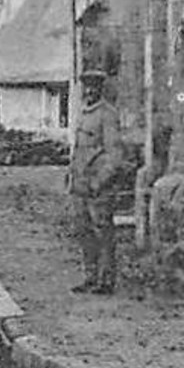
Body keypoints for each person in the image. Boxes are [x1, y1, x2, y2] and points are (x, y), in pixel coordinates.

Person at [68, 70, 122, 295]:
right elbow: (78, 150)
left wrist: (100, 181)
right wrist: (71, 176)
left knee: (103, 232)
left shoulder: (107, 115)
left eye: (94, 88)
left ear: (100, 89)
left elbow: (114, 154)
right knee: (84, 232)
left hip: (98, 186)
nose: (89, 91)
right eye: (86, 87)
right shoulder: (83, 114)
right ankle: (90, 276)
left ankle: (106, 279)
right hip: (80, 184)